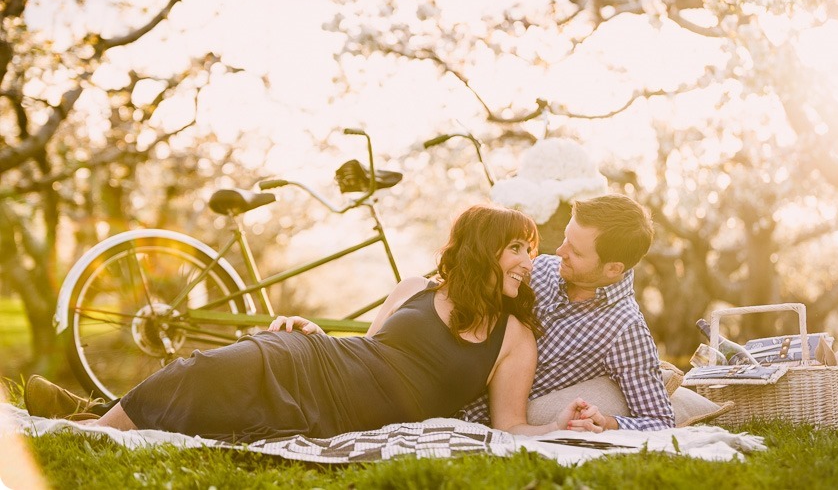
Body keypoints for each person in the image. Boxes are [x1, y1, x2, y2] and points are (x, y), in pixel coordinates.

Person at [25, 205, 606, 441]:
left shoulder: (515, 338)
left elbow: (508, 426)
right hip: (321, 363)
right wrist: (316, 334)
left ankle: (81, 420)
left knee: (216, 396)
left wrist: (567, 429)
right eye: (516, 249)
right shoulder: (415, 289)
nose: (530, 262)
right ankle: (93, 429)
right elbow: (372, 351)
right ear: (483, 251)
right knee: (206, 371)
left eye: (531, 251)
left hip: (350, 411)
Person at [461, 194, 676, 431]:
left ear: (613, 268)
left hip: (484, 421)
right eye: (566, 238)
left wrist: (607, 423)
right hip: (450, 382)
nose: (559, 250)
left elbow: (660, 421)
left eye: (575, 251)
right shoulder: (540, 270)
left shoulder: (625, 329)